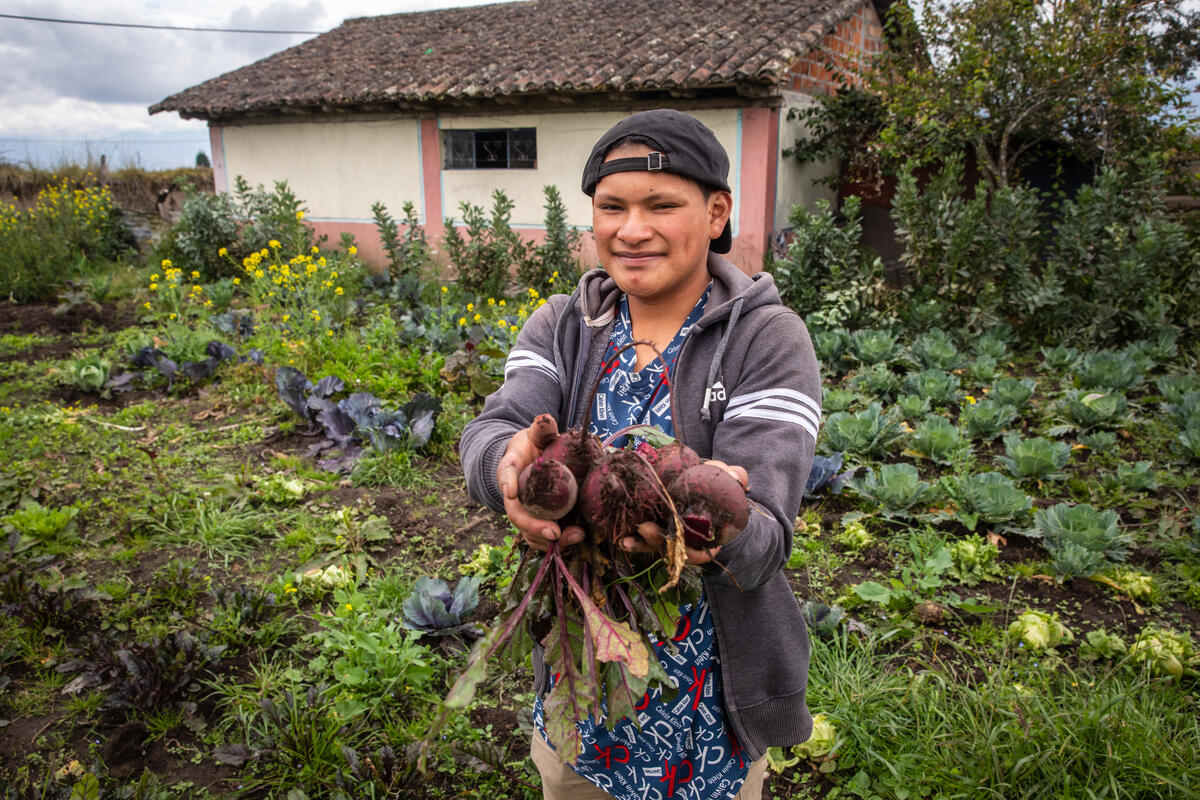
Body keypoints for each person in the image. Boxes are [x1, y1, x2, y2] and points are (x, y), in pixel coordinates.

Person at [460, 109, 822, 800]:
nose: (632, 230)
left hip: (710, 699)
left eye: (662, 205)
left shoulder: (767, 339)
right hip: (583, 682)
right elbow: (498, 425)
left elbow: (767, 535)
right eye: (612, 207)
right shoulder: (563, 325)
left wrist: (722, 516)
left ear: (717, 213)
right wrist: (506, 467)